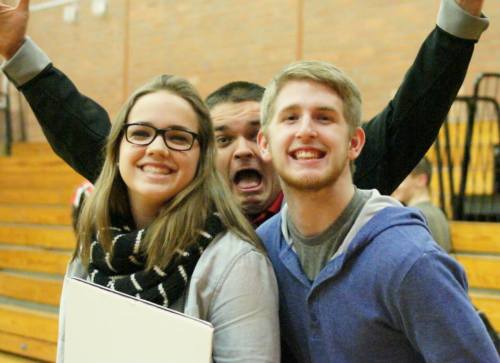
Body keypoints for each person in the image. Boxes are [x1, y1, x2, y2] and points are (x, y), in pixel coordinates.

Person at [0, 0, 490, 228]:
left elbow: (412, 115)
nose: (242, 150)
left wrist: (461, 13)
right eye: (223, 138)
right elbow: (92, 137)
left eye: (256, 134)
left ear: (280, 145)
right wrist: (18, 51)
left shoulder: (332, 195)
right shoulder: (177, 207)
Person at [256, 60, 499, 362]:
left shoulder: (411, 261)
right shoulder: (262, 248)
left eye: (324, 118)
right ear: (265, 144)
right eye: (290, 118)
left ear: (355, 143)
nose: (306, 130)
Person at [59, 75, 281, 361]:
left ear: (202, 160)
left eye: (178, 138)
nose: (157, 148)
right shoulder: (91, 249)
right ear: (116, 150)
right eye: (140, 133)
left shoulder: (237, 262)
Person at [393, 156, 452, 252]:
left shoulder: (412, 216)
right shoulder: (439, 213)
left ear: (421, 180)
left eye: (401, 178)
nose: (395, 185)